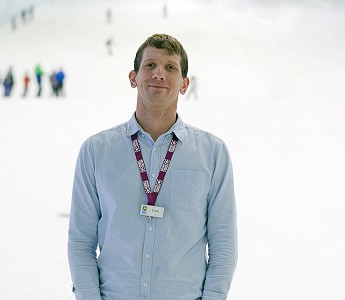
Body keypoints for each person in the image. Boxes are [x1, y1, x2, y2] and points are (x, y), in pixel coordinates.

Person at [68, 33, 238, 300]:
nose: (159, 74)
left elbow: (224, 244)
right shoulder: (96, 151)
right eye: (150, 65)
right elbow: (81, 241)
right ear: (133, 78)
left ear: (184, 84)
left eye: (170, 67)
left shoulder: (212, 153)